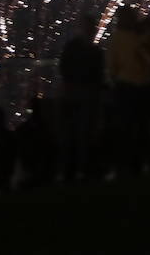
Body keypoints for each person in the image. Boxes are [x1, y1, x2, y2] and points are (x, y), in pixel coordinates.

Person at [106, 7, 150, 176]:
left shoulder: (119, 38)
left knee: (127, 127)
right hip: (138, 87)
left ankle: (126, 164)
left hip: (128, 87)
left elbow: (111, 67)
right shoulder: (139, 36)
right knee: (138, 127)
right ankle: (142, 163)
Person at [58, 13, 105, 181]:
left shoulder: (73, 48)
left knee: (72, 134)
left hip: (74, 95)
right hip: (84, 96)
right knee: (82, 134)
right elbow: (99, 76)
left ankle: (68, 170)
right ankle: (79, 169)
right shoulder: (94, 51)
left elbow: (64, 68)